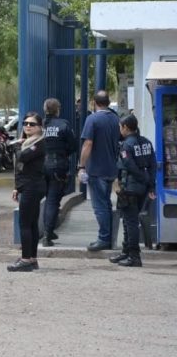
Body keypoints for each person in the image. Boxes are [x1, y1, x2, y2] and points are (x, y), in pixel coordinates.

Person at [109, 115, 156, 267]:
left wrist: (141, 177)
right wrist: (150, 184)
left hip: (130, 187)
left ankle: (134, 256)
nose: (120, 130)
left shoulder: (127, 145)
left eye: (120, 127)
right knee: (130, 220)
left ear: (126, 128)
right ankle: (126, 252)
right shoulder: (147, 143)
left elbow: (128, 165)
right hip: (143, 187)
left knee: (130, 222)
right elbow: (153, 165)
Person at [78, 90, 121, 251]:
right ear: (108, 102)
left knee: (100, 206)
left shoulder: (93, 119)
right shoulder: (115, 118)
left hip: (97, 169)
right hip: (111, 168)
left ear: (94, 103)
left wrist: (82, 166)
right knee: (107, 204)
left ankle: (104, 238)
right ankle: (109, 237)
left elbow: (88, 144)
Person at [8, 112, 46, 272]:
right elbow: (20, 169)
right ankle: (31, 258)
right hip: (28, 185)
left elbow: (22, 157)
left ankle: (26, 259)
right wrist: (18, 187)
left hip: (34, 186)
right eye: (25, 123)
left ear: (40, 127)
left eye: (32, 124)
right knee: (30, 223)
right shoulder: (28, 142)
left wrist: (17, 146)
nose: (27, 126)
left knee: (25, 223)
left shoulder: (39, 143)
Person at [41, 98, 77, 247]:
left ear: (45, 110)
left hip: (41, 165)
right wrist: (63, 154)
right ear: (58, 110)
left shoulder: (39, 125)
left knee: (48, 199)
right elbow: (74, 145)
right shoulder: (63, 125)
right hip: (58, 165)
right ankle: (47, 234)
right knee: (52, 200)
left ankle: (49, 230)